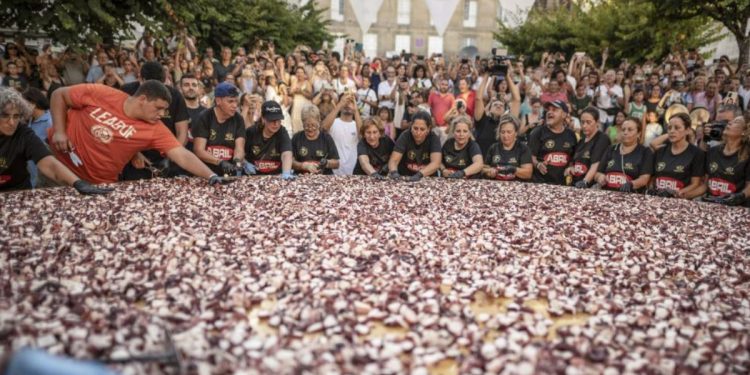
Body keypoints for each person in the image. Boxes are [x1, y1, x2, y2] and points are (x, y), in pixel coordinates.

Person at [49, 81, 231, 185]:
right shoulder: (101, 93)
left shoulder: (155, 128)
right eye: (158, 108)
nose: (162, 115)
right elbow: (59, 95)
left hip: (97, 182)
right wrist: (59, 131)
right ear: (143, 99)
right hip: (58, 166)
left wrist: (211, 176)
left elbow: (182, 154)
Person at [0, 87, 110, 194]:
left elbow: (49, 164)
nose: (11, 122)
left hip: (18, 193)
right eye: (5, 116)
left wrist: (78, 183)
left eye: (16, 116)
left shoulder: (23, 133)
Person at [120, 61, 190, 179]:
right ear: (140, 79)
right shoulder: (126, 92)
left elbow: (182, 133)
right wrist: (134, 154)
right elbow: (117, 125)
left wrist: (171, 157)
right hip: (134, 159)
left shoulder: (175, 95)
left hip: (166, 158)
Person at [192, 82, 246, 176]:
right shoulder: (204, 117)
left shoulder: (238, 119)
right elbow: (198, 150)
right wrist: (220, 162)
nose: (235, 105)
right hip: (205, 173)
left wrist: (237, 161)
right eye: (230, 101)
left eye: (236, 101)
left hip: (229, 172)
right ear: (218, 101)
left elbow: (239, 147)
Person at [648, 112, 705, 198]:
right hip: (657, 199)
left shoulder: (696, 153)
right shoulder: (661, 150)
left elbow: (695, 184)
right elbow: (652, 179)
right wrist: (651, 189)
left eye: (677, 128)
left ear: (688, 130)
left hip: (679, 201)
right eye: (669, 128)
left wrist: (676, 194)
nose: (672, 131)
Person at [595, 117, 654, 193]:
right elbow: (598, 173)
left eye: (630, 130)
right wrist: (600, 177)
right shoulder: (611, 149)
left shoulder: (645, 152)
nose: (625, 132)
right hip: (607, 194)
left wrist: (631, 184)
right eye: (623, 130)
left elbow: (645, 178)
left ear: (639, 133)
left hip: (632, 197)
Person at [702, 116, 749, 206]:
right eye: (730, 121)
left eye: (736, 122)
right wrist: (681, 194)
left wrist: (740, 196)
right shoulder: (713, 151)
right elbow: (705, 185)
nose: (730, 123)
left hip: (735, 207)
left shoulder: (747, 155)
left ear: (744, 132)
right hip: (711, 204)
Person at [528, 100, 577, 185]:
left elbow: (572, 159)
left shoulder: (571, 135)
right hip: (540, 184)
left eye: (554, 110)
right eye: (548, 110)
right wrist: (538, 164)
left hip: (563, 186)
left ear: (564, 115)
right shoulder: (537, 132)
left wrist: (570, 167)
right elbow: (530, 157)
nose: (549, 112)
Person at [474, 70, 521, 155]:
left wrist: (507, 75)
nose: (499, 106)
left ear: (504, 111)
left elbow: (517, 100)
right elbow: (478, 98)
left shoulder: (509, 122)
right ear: (490, 108)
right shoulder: (482, 120)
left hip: (501, 163)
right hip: (481, 163)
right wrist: (487, 73)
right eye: (495, 104)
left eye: (501, 105)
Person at [244, 101, 295, 179]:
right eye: (272, 120)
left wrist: (286, 172)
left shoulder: (282, 132)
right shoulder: (251, 132)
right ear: (263, 119)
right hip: (253, 177)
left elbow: (287, 154)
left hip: (275, 177)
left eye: (278, 120)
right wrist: (245, 163)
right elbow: (240, 153)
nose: (276, 124)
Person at [386, 111, 442, 181]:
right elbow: (394, 160)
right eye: (415, 128)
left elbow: (436, 163)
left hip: (426, 177)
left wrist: (419, 175)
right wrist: (394, 172)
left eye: (422, 129)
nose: (418, 132)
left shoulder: (434, 138)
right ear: (411, 126)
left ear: (428, 129)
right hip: (405, 176)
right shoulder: (405, 136)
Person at [568, 108, 610, 188]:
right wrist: (570, 168)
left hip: (590, 186)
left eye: (588, 122)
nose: (584, 126)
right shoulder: (581, 140)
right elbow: (574, 162)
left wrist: (585, 181)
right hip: (575, 184)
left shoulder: (602, 138)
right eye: (582, 122)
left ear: (597, 122)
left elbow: (595, 164)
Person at [482, 114, 533, 181]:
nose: (505, 135)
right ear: (499, 133)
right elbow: (483, 169)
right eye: (503, 132)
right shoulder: (494, 147)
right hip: (496, 184)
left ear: (516, 133)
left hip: (516, 186)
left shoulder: (523, 148)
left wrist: (513, 169)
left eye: (509, 132)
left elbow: (528, 174)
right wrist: (489, 172)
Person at [291, 105, 340, 175]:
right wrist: (303, 166)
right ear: (302, 122)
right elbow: (290, 162)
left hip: (323, 177)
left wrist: (326, 163)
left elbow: (336, 163)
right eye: (307, 126)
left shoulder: (326, 138)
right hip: (301, 177)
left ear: (319, 121)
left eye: (313, 125)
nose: (310, 128)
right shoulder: (296, 138)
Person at [322, 92, 362, 175]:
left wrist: (356, 110)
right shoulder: (333, 122)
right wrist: (340, 105)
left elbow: (362, 135)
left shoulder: (357, 124)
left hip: (352, 171)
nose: (347, 104)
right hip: (333, 171)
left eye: (351, 102)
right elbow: (324, 128)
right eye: (344, 101)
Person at [179, 73, 207, 151]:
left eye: (194, 85)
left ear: (198, 88)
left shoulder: (207, 113)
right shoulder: (175, 110)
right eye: (186, 85)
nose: (191, 88)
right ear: (180, 89)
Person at [428, 78, 455, 143]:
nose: (444, 86)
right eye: (442, 84)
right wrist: (431, 118)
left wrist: (449, 125)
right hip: (434, 126)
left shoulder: (451, 97)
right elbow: (428, 108)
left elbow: (453, 111)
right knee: (433, 145)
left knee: (443, 147)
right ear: (439, 85)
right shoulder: (432, 95)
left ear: (448, 86)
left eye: (446, 85)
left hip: (445, 127)